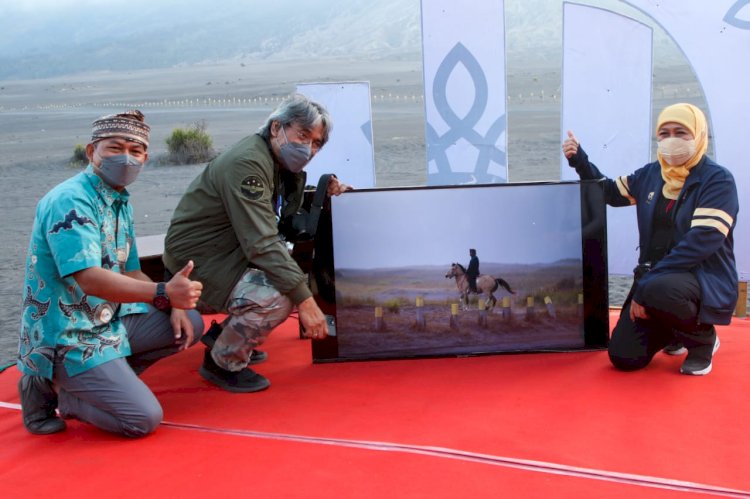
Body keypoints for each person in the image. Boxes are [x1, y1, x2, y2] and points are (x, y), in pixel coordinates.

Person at [17, 110, 205, 437]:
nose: (127, 158)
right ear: (92, 152)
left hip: (104, 320)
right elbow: (88, 279)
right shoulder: (70, 201)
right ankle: (63, 391)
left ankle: (101, 380)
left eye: (135, 151)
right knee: (142, 419)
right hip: (67, 332)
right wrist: (162, 293)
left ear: (145, 157)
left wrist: (173, 303)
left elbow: (131, 271)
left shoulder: (119, 201)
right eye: (115, 148)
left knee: (189, 323)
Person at [163, 94, 351, 393]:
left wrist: (321, 192)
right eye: (303, 135)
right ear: (276, 128)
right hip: (198, 263)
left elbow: (279, 218)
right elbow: (261, 241)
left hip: (225, 250)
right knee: (278, 296)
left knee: (285, 282)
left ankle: (223, 337)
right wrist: (304, 299)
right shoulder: (248, 164)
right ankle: (222, 361)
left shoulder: (271, 160)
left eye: (316, 143)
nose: (309, 148)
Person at [562, 103, 738, 376]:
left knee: (661, 289)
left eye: (681, 132)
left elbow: (703, 240)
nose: (671, 140)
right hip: (656, 279)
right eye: (664, 133)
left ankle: (703, 341)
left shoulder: (718, 181)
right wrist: (579, 161)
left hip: (699, 277)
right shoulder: (652, 174)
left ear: (700, 135)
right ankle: (675, 331)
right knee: (623, 356)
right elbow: (608, 192)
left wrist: (646, 285)